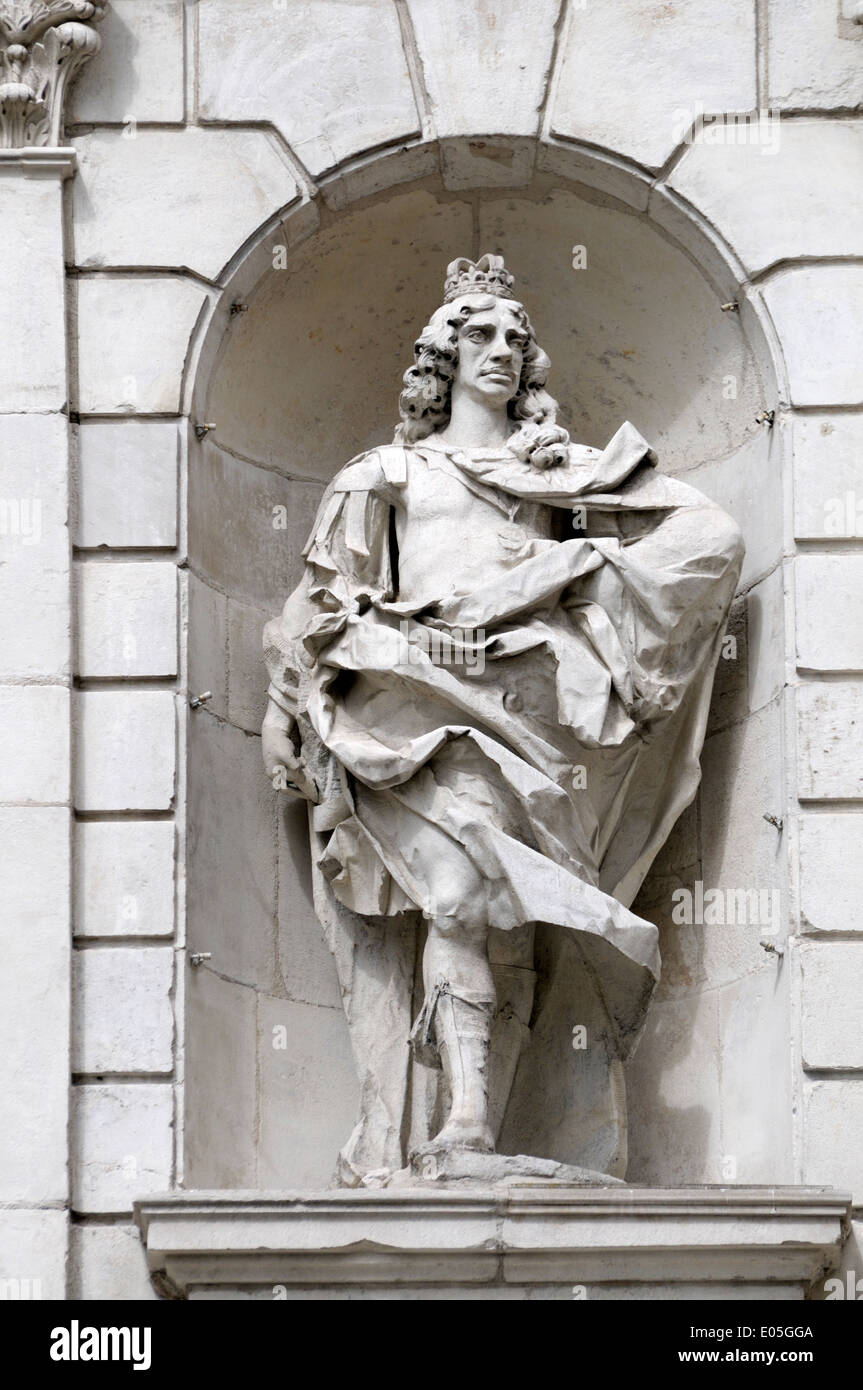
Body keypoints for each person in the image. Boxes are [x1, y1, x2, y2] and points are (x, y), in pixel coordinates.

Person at [262, 255, 744, 1184]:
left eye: (516, 339)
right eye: (478, 335)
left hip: (533, 715)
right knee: (453, 895)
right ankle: (467, 1124)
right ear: (439, 358)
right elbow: (322, 602)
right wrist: (286, 711)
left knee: (502, 907)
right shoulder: (387, 470)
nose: (502, 351)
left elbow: (709, 541)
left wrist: (576, 544)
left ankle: (499, 1119)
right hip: (416, 700)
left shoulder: (557, 479)